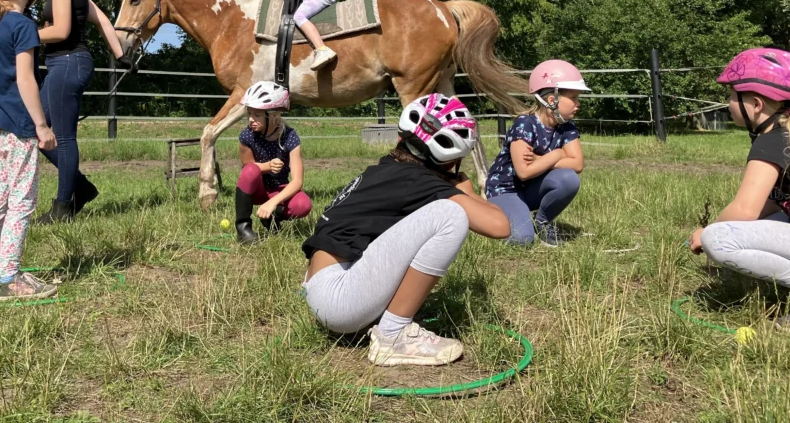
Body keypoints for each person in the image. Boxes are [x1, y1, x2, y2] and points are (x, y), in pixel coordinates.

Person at [301, 95, 511, 366]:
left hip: (324, 288)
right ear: (449, 162)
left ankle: (386, 322)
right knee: (450, 215)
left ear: (401, 138)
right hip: (338, 299)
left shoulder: (389, 170)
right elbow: (499, 226)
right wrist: (466, 192)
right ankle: (392, 335)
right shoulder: (418, 181)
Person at [690, 48, 790, 332]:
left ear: (756, 103)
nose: (728, 103)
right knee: (773, 220)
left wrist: (706, 232)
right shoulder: (788, 133)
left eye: (731, 95)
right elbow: (775, 206)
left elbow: (745, 210)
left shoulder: (772, 141)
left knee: (719, 239)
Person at [0, 0, 59, 301]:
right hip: (19, 125)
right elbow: (26, 80)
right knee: (22, 201)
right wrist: (42, 126)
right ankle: (10, 279)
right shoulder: (22, 25)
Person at [30, 0, 126, 224]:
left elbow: (60, 31)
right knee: (36, 130)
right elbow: (104, 20)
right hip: (68, 64)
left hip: (68, 63)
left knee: (62, 136)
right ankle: (80, 187)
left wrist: (21, 35)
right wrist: (120, 55)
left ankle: (62, 207)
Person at [485, 60, 588, 247]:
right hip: (507, 189)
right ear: (552, 100)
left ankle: (542, 222)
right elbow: (524, 171)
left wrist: (542, 160)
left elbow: (577, 164)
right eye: (573, 98)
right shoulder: (525, 124)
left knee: (568, 179)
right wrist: (557, 155)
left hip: (532, 187)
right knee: (521, 240)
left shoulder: (567, 126)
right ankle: (491, 210)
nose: (578, 104)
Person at [234, 81, 312, 244]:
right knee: (250, 170)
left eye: (257, 115)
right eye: (250, 113)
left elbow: (297, 181)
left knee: (303, 205)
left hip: (279, 189)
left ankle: (275, 216)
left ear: (274, 115)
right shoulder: (247, 136)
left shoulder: (290, 137)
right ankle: (243, 228)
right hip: (258, 189)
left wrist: (273, 203)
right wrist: (268, 166)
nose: (250, 119)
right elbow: (248, 170)